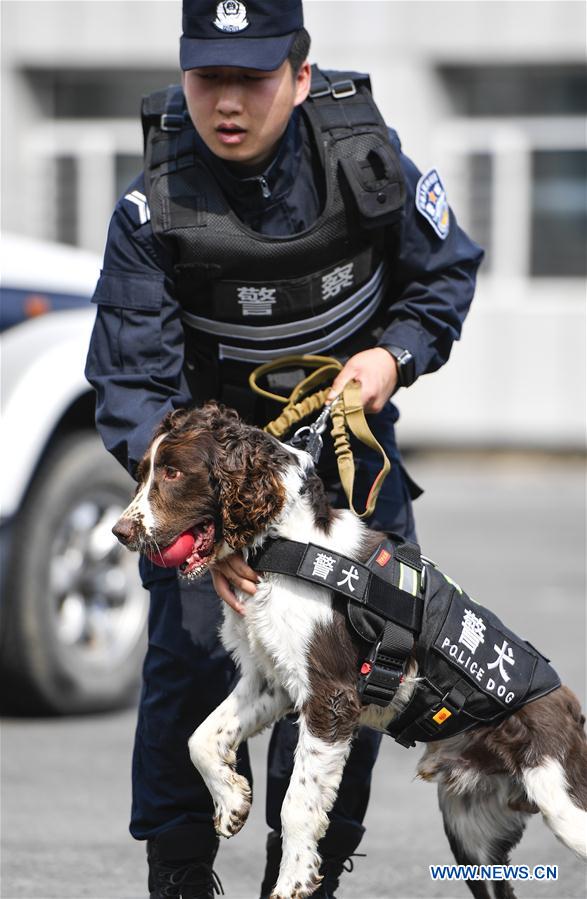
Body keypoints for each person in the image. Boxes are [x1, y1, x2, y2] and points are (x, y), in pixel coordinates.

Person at [85, 1, 483, 896]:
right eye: (207, 77)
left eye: (252, 77)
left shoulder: (367, 164)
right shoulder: (153, 205)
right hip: (208, 490)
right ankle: (180, 874)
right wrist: (216, 531)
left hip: (347, 477)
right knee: (191, 665)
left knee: (356, 673)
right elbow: (131, 384)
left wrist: (393, 353)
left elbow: (443, 273)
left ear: (299, 79)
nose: (226, 101)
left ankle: (307, 873)